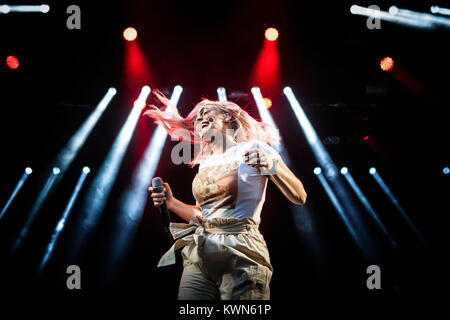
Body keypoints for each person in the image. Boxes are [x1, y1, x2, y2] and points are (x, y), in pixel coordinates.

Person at [146, 91, 307, 300]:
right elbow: (204, 215)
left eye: (206, 112)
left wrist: (270, 166)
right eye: (196, 118)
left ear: (227, 116)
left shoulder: (255, 148)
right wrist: (172, 203)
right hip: (202, 251)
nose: (200, 119)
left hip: (241, 250)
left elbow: (300, 196)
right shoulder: (205, 162)